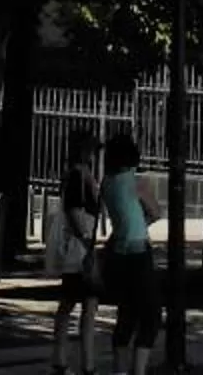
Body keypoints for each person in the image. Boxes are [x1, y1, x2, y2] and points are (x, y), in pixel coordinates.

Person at [98, 129, 160, 375]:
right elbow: (156, 212)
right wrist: (141, 222)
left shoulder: (106, 184)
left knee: (126, 313)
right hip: (139, 252)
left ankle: (120, 370)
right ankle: (139, 370)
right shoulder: (138, 183)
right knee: (150, 315)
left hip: (117, 252)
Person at [48, 131, 102, 375]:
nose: (94, 155)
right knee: (85, 304)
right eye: (92, 150)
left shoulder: (77, 175)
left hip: (78, 248)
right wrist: (87, 240)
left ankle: (63, 359)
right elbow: (74, 210)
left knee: (71, 304)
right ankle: (84, 364)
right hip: (80, 249)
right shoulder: (78, 176)